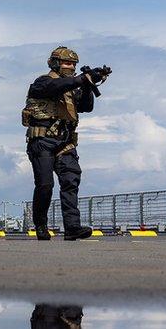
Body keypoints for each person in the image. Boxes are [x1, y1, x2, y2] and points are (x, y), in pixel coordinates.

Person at [22, 47, 110, 241]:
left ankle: (72, 228)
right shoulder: (42, 82)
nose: (70, 67)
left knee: (71, 181)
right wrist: (82, 79)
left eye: (73, 64)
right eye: (66, 63)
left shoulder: (71, 89)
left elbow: (86, 107)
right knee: (45, 185)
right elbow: (56, 87)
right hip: (42, 141)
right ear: (54, 63)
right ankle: (41, 224)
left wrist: (88, 85)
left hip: (65, 142)